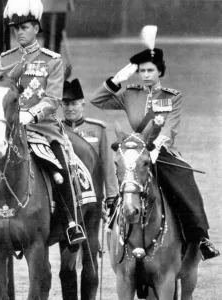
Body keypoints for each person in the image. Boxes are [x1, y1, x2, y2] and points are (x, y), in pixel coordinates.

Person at [0, 0, 86, 249]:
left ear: (36, 28)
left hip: (42, 129)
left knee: (62, 167)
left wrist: (31, 115)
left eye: (24, 27)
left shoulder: (52, 60)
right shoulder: (4, 60)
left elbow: (53, 98)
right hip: (10, 129)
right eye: (16, 28)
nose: (19, 32)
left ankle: (70, 222)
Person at [90, 46, 220, 260]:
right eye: (142, 71)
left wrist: (157, 146)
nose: (146, 75)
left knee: (184, 177)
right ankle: (114, 227)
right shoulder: (130, 94)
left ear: (159, 71)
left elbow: (171, 126)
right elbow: (97, 100)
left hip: (162, 153)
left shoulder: (172, 97)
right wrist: (118, 78)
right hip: (136, 150)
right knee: (124, 179)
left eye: (150, 70)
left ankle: (200, 235)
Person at [61, 77, 118, 210]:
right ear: (61, 105)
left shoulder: (98, 129)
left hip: (93, 195)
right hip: (64, 195)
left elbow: (107, 164)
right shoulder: (57, 129)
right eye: (66, 104)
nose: (70, 108)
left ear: (82, 105)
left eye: (74, 104)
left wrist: (111, 196)